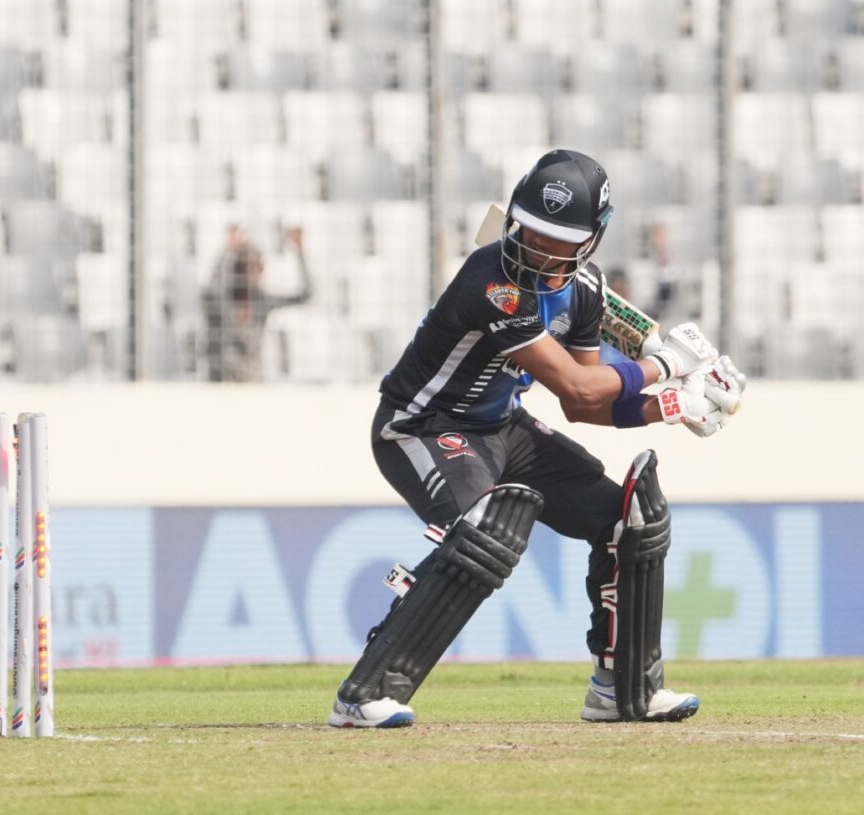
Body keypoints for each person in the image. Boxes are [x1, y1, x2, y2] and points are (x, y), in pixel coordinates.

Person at [327, 149, 746, 729]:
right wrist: (667, 365)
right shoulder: (492, 282)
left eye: (559, 240)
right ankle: (365, 693)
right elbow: (576, 381)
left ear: (591, 240)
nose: (539, 247)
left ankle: (622, 690)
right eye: (530, 229)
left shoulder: (586, 290)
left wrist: (672, 406)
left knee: (628, 521)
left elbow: (584, 404)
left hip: (503, 427)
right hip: (423, 425)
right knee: (483, 532)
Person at [202, 224, 313, 382]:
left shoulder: (263, 301)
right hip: (221, 384)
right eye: (248, 265)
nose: (256, 271)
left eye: (258, 265)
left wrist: (300, 251)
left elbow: (306, 295)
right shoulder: (223, 297)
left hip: (252, 383)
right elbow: (212, 290)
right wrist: (228, 250)